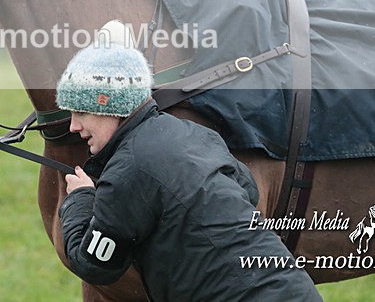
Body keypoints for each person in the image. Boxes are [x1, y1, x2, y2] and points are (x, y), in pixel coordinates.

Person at [57, 21, 322, 301]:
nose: (73, 126)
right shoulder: (192, 133)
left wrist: (81, 199)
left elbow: (95, 265)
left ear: (111, 106)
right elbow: (248, 190)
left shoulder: (127, 169)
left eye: (81, 112)